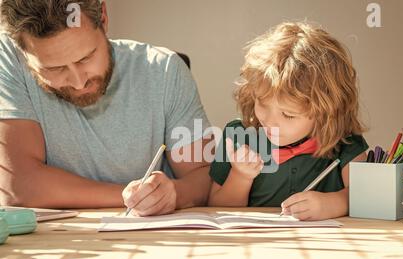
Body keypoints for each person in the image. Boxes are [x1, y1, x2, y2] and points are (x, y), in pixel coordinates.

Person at [0, 0, 212, 216]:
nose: (78, 82)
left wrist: (174, 193)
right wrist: (130, 197)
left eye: (86, 58)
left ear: (103, 17)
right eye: (54, 68)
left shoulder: (165, 69)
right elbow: (18, 187)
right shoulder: (8, 58)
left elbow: (204, 176)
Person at [208, 22, 368, 220]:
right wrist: (240, 177)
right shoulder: (239, 137)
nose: (270, 121)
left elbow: (366, 197)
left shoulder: (346, 142)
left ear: (327, 112)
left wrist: (333, 203)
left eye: (288, 115)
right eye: (262, 103)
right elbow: (216, 209)